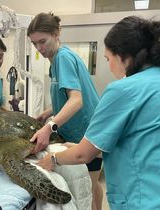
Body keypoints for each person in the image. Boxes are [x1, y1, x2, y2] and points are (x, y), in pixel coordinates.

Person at [37, 16, 160, 210]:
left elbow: (83, 156)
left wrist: (52, 159)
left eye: (108, 59)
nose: (109, 66)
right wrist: (83, 147)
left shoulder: (125, 90)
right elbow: (148, 140)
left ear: (124, 56)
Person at [27, 12, 103, 210]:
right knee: (93, 186)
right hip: (80, 132)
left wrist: (49, 127)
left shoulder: (63, 58)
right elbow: (68, 96)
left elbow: (76, 101)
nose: (39, 48)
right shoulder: (56, 60)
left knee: (89, 186)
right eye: (35, 44)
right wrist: (47, 113)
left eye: (42, 41)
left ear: (56, 34)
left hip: (85, 133)